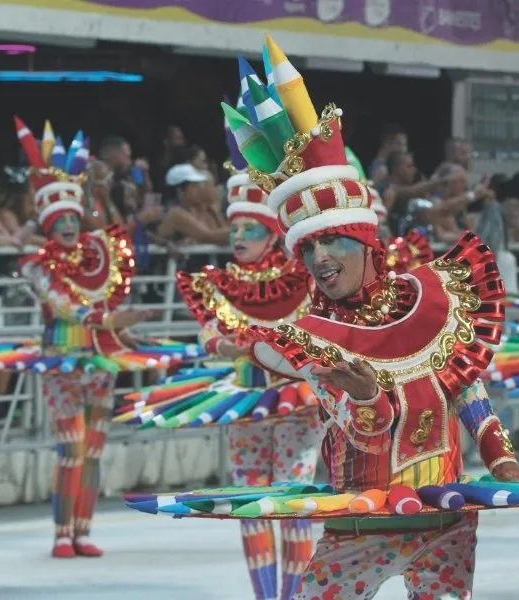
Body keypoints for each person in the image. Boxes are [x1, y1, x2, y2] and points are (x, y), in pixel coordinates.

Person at [234, 35, 519, 599]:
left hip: (446, 515)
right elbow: (358, 422)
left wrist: (502, 460)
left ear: (367, 242)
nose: (319, 259)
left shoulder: (433, 297)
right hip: (367, 516)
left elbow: (467, 389)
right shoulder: (311, 336)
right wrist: (367, 400)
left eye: (334, 242)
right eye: (308, 249)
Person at [0, 117, 200, 558]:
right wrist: (115, 321)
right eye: (58, 218)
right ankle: (62, 532)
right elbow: (69, 308)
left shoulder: (97, 255)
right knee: (71, 448)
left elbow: (104, 299)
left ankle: (82, 530)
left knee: (94, 448)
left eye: (72, 217)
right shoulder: (39, 265)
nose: (67, 226)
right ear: (45, 219)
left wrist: (124, 333)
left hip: (99, 362)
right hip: (61, 360)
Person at [175, 137, 322, 600]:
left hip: (298, 402)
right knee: (250, 502)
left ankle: (293, 595)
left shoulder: (305, 277)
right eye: (234, 228)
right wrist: (223, 345)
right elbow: (208, 336)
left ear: (273, 233)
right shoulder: (219, 283)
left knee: (294, 498)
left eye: (250, 230)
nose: (238, 238)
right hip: (244, 400)